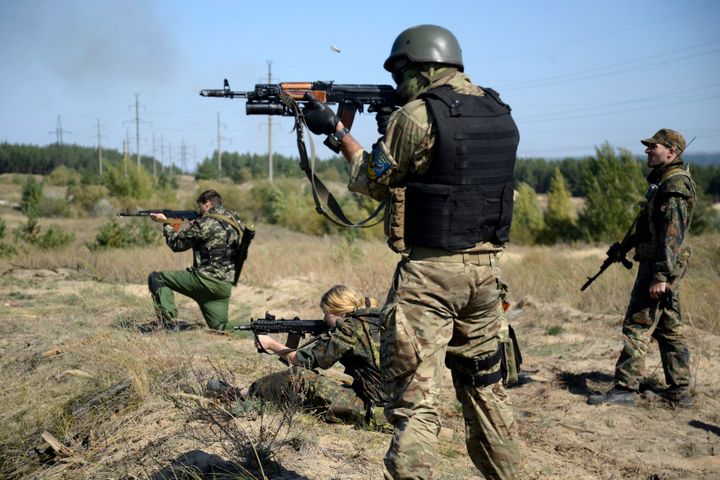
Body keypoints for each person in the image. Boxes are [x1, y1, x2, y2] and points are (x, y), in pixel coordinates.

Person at [302, 24, 520, 479]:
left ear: (421, 67)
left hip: (431, 279)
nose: (399, 86)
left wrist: (338, 132)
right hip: (486, 275)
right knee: (486, 394)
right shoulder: (499, 110)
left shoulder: (417, 116)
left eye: (402, 75)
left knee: (416, 405)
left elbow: (371, 179)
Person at [588, 129, 696, 407]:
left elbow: (672, 236)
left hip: (661, 266)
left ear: (671, 152)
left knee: (637, 325)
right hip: (661, 264)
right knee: (669, 327)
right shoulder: (663, 182)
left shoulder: (674, 186)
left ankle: (625, 388)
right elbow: (650, 228)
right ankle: (680, 391)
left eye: (654, 147)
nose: (648, 150)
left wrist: (661, 275)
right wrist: (624, 247)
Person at [212, 285, 387, 426]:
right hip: (400, 406)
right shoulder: (374, 320)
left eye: (326, 313)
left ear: (338, 311)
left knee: (299, 376)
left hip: (376, 410)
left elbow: (303, 362)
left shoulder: (348, 330)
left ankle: (242, 395)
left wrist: (271, 344)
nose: (324, 319)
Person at [148, 189, 248, 331]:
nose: (199, 211)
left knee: (157, 278)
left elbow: (176, 244)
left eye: (199, 207)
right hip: (224, 286)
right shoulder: (234, 218)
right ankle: (255, 327)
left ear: (207, 204)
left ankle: (167, 324)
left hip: (204, 281)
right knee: (220, 327)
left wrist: (166, 223)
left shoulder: (205, 223)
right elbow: (214, 238)